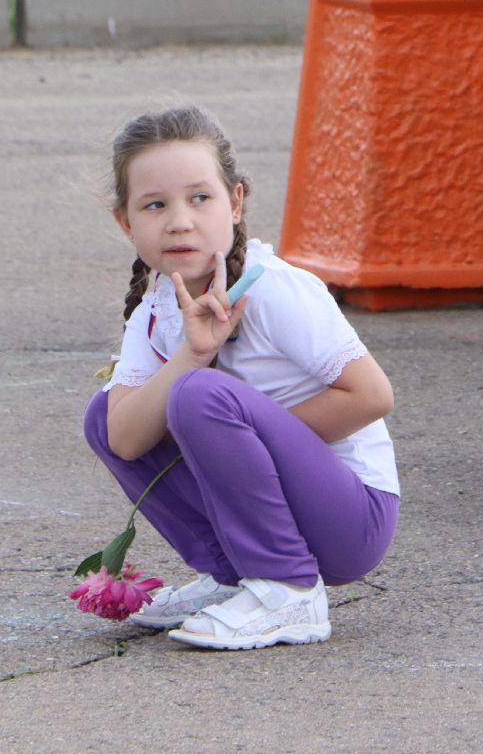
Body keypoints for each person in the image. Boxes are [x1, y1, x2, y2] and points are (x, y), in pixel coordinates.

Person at [82, 106, 400, 649]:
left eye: (200, 198)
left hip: (351, 517)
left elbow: (372, 396)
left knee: (201, 399)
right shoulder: (154, 310)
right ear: (126, 222)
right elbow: (126, 439)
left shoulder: (272, 287)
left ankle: (290, 589)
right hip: (279, 506)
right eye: (155, 205)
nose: (180, 220)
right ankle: (235, 575)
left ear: (235, 201)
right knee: (107, 411)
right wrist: (192, 354)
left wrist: (246, 443)